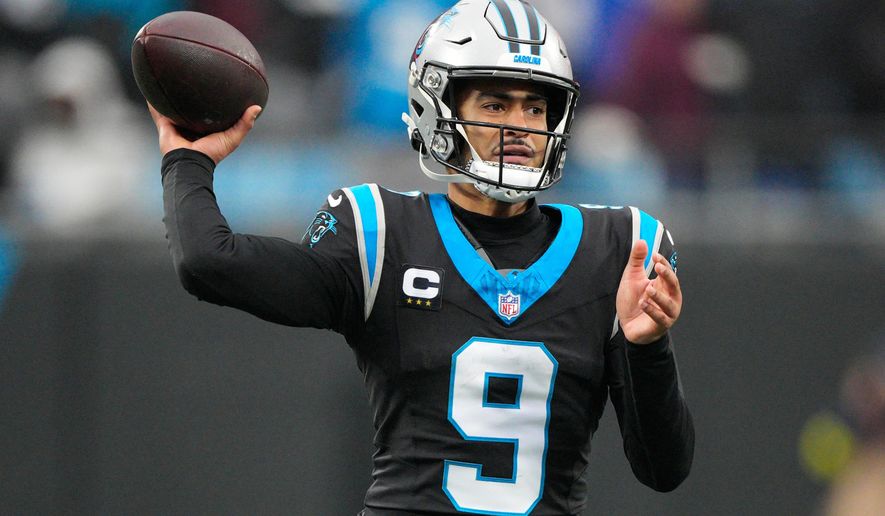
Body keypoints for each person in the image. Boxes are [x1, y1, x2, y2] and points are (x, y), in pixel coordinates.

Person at [148, 1, 694, 514]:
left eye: (536, 105)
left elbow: (664, 468)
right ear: (438, 108)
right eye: (495, 103)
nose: (521, 125)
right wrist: (188, 163)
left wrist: (647, 349)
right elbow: (209, 263)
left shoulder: (620, 249)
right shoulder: (381, 233)